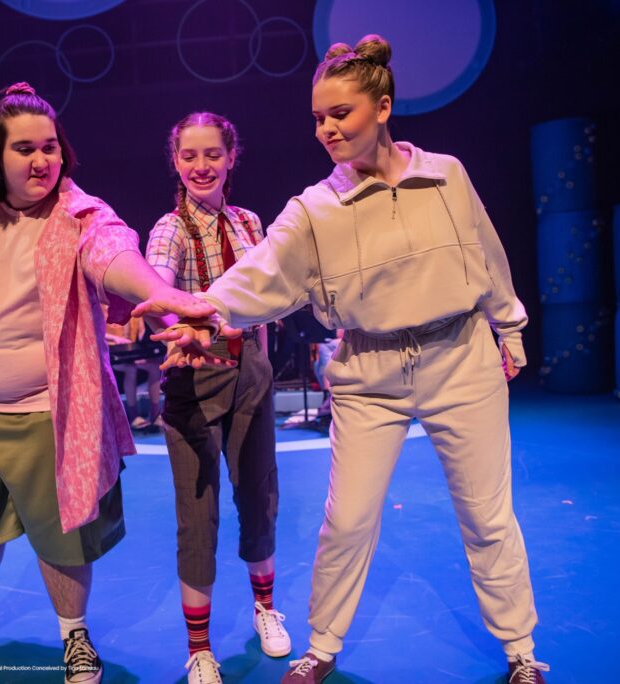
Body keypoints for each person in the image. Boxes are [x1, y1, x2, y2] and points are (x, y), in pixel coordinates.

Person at [143, 36, 548, 684]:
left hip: (460, 356)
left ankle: (522, 653)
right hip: (370, 370)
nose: (327, 128)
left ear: (383, 106)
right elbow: (259, 276)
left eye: (341, 113)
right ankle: (321, 648)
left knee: (487, 514)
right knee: (348, 519)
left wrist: (511, 326)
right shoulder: (314, 208)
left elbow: (486, 255)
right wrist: (199, 314)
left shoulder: (444, 175)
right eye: (318, 117)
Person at [0, 82, 213, 683]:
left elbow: (115, 256)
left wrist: (166, 296)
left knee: (63, 538)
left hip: (48, 413)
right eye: (25, 149)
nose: (43, 160)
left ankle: (76, 639)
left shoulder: (81, 215)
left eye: (50, 147)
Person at [144, 111, 290, 684]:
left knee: (260, 498)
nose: (201, 166)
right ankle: (199, 647)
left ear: (232, 157)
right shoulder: (170, 228)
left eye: (212, 154)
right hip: (192, 383)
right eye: (189, 156)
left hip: (252, 373)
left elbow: (274, 290)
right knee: (196, 516)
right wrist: (177, 315)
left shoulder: (251, 222)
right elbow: (158, 280)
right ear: (174, 161)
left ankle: (264, 609)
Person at [104, 314, 163, 430]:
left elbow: (141, 333)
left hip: (130, 354)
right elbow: (96, 330)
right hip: (112, 356)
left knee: (155, 367)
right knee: (130, 369)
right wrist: (114, 338)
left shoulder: (132, 309)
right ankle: (133, 416)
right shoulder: (103, 307)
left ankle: (155, 415)